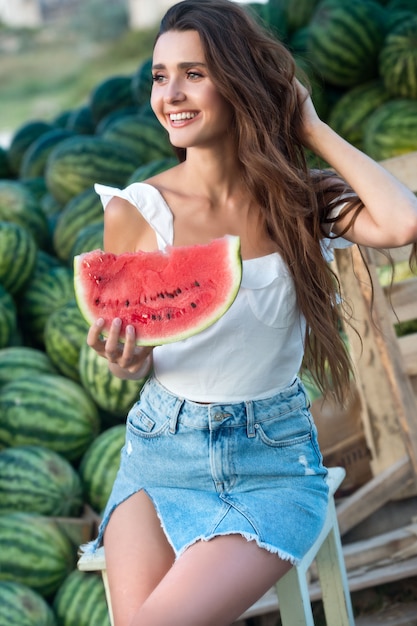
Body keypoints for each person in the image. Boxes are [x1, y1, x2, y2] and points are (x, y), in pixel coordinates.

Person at [83, 1, 417, 624]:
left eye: (194, 74)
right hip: (160, 452)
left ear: (238, 81)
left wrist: (309, 125)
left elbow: (402, 221)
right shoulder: (137, 210)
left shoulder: (300, 200)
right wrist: (128, 364)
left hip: (271, 461)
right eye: (160, 77)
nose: (170, 95)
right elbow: (141, 358)